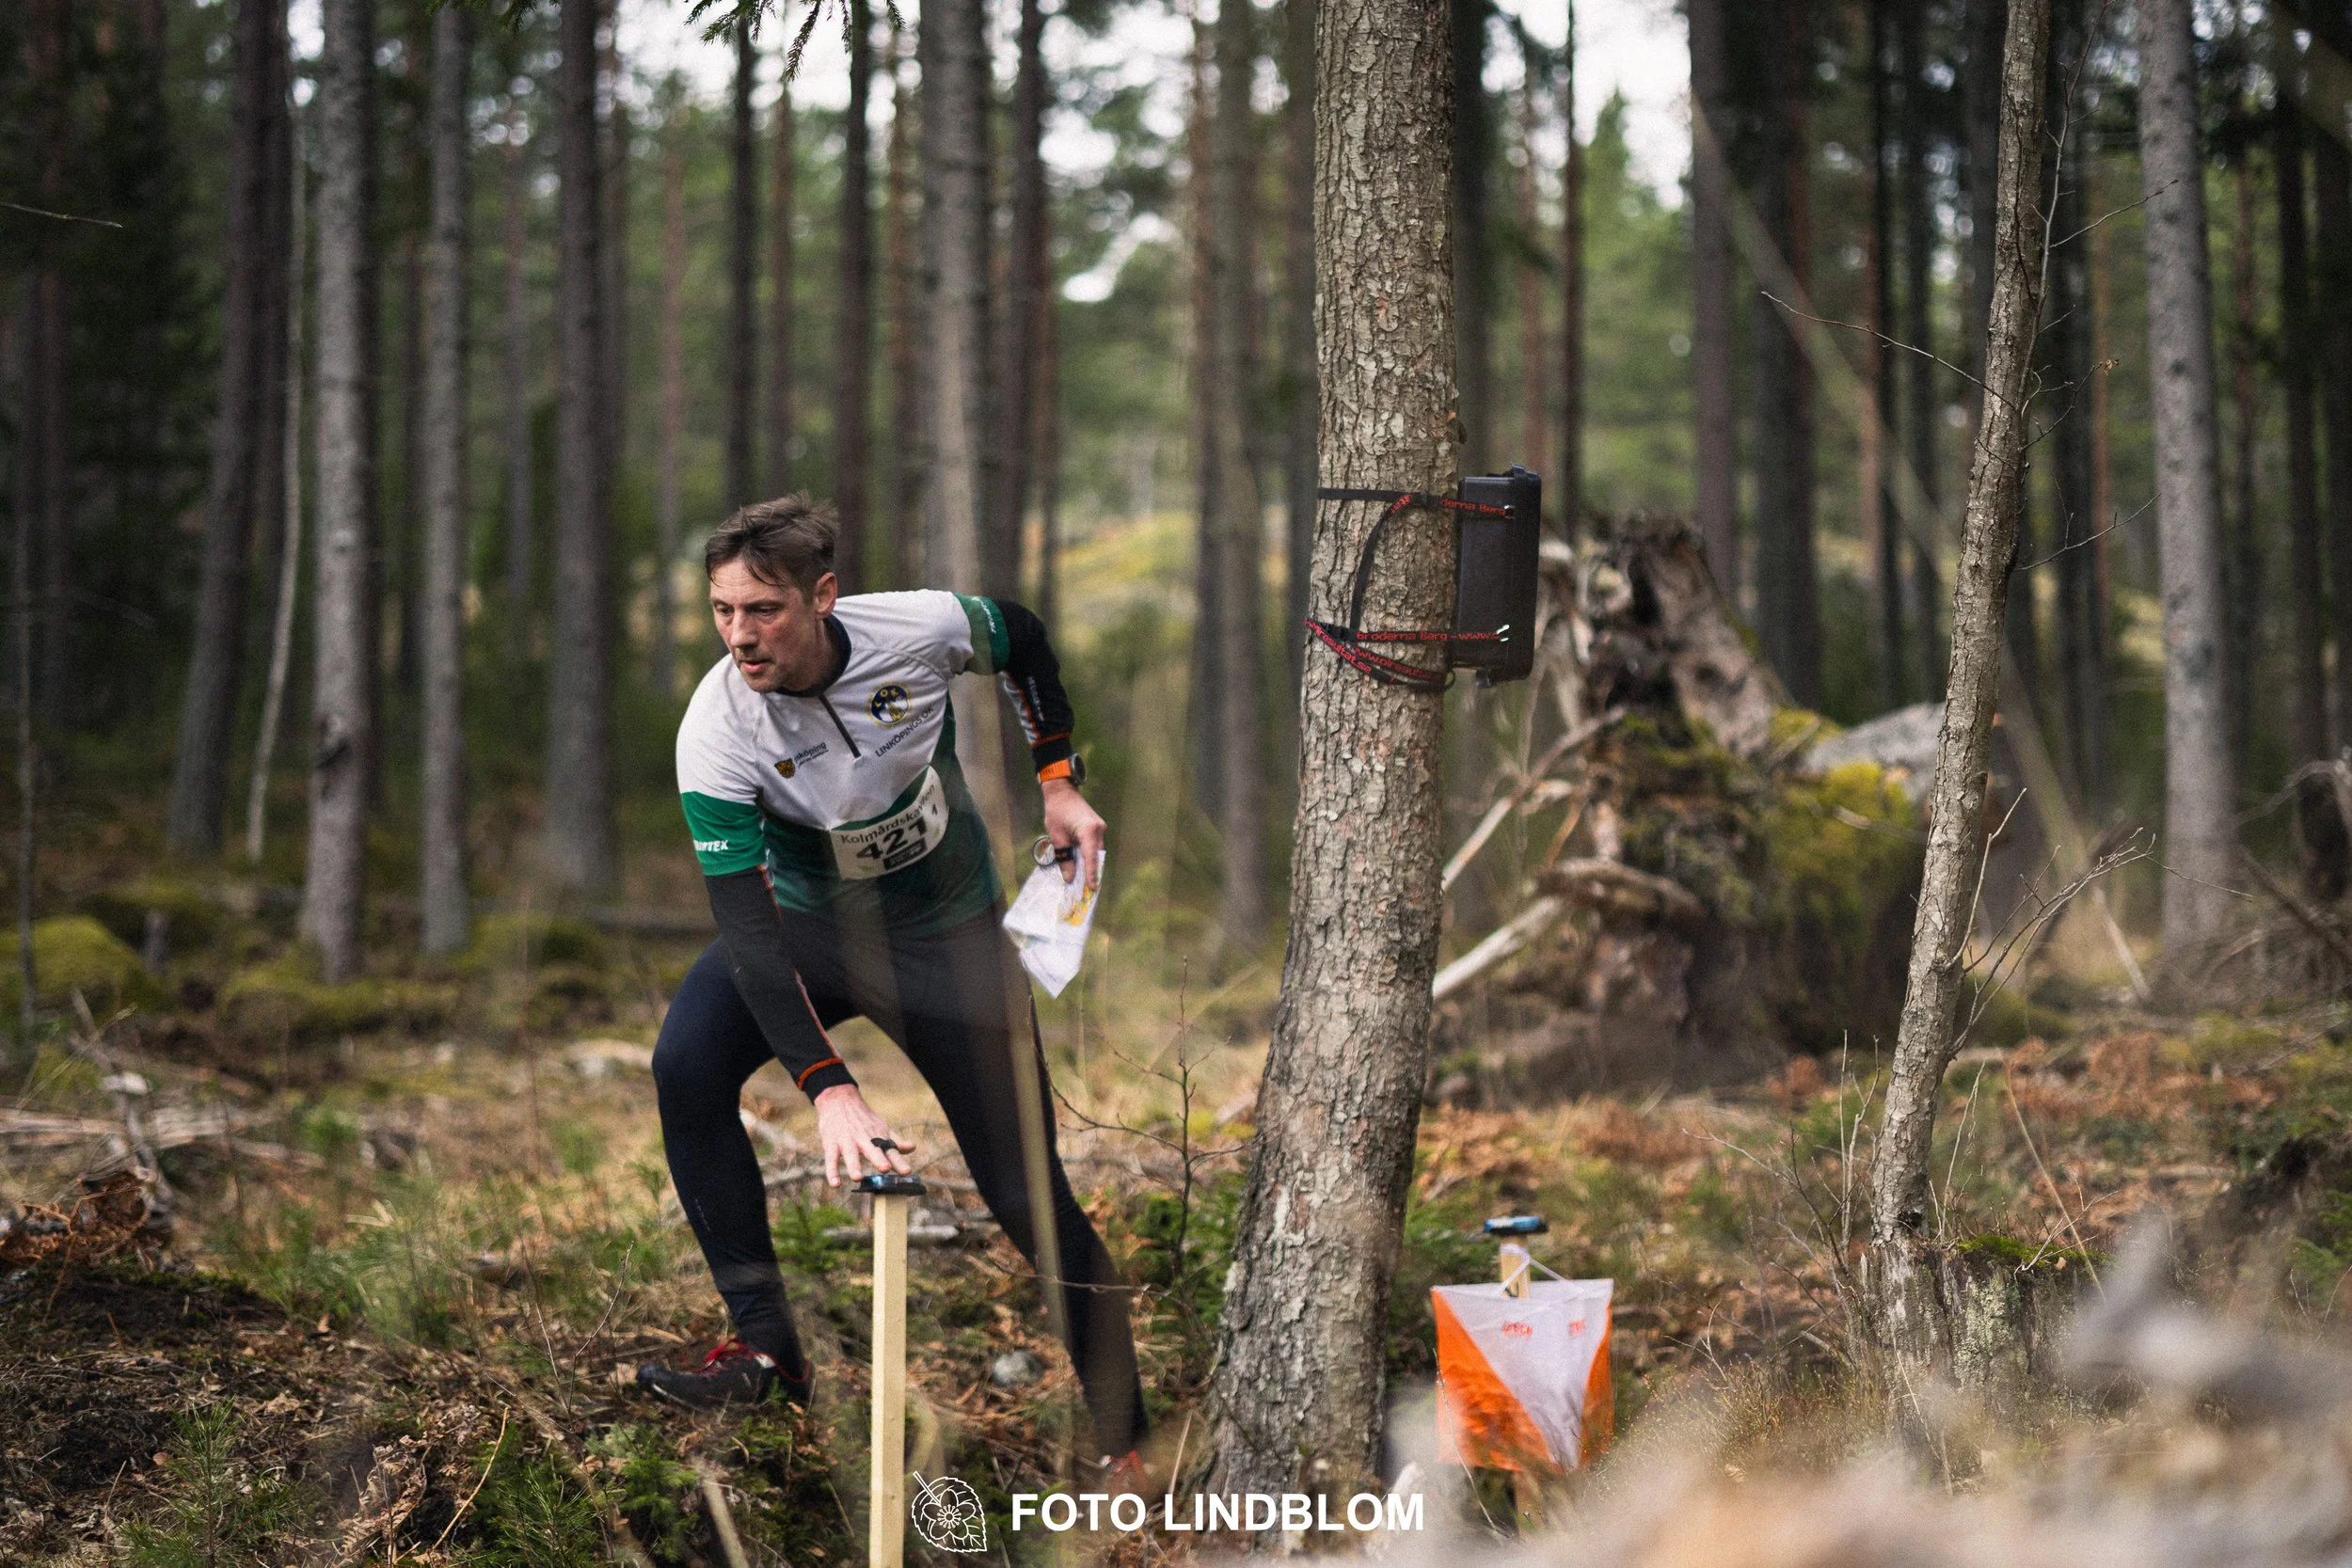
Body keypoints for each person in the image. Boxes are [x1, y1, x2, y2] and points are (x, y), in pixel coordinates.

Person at [635, 496, 1145, 1470]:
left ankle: (1133, 1447)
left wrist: (1058, 777)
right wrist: (828, 1086)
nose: (740, 634)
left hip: (946, 939)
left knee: (1027, 1192)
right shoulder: (715, 728)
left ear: (823, 596)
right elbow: (745, 930)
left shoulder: (916, 629)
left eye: (764, 609)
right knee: (685, 1065)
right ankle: (767, 1346)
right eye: (722, 610)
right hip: (802, 930)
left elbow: (1024, 640)